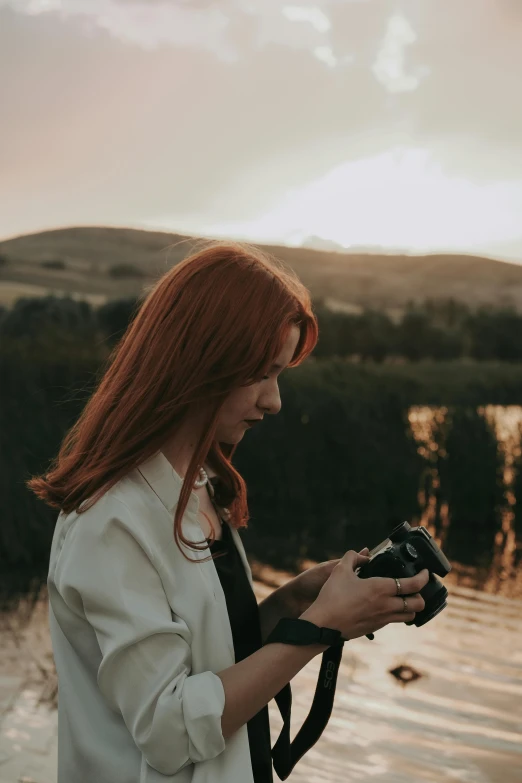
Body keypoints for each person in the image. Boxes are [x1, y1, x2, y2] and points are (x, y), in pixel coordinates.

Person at [27, 240, 428, 783]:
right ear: (201, 361)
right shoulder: (111, 521)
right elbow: (169, 730)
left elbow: (208, 671)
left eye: (280, 374)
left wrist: (293, 604)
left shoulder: (198, 488)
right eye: (263, 372)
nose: (275, 400)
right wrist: (315, 629)